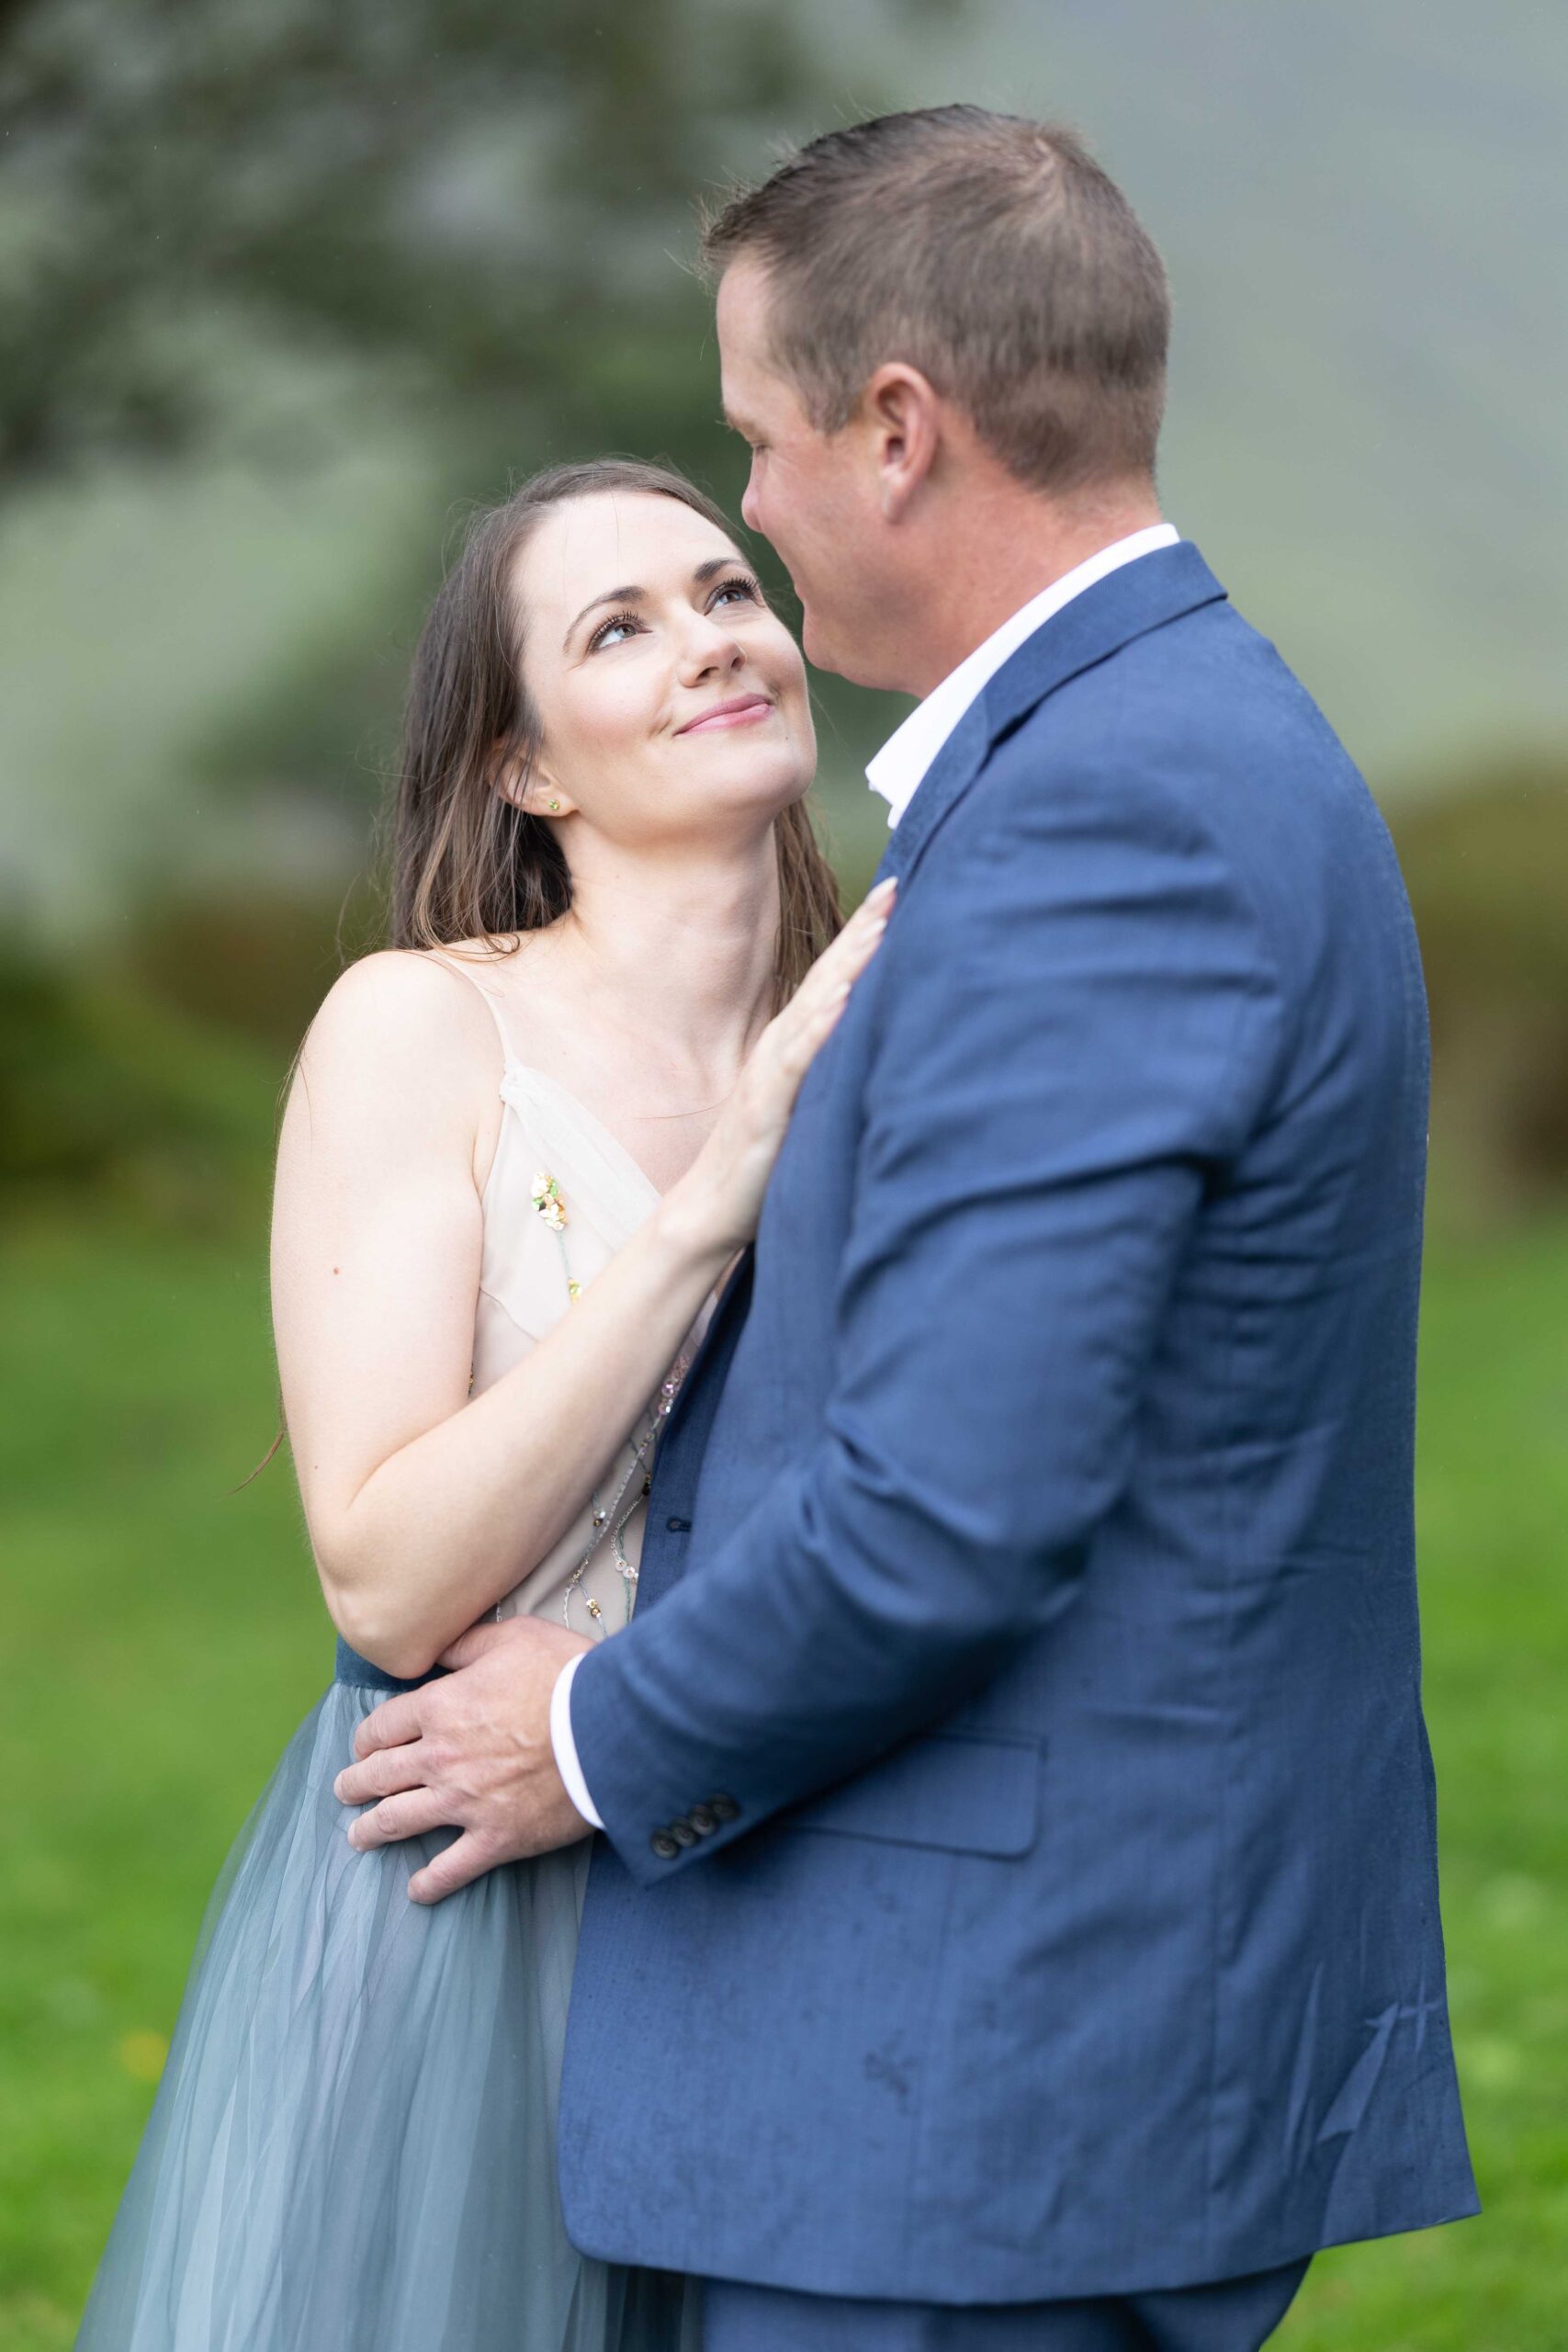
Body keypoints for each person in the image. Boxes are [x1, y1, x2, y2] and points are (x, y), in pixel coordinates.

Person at [338, 107, 1480, 2351]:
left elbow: (948, 1499)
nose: (742, 504)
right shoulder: (1143, 751)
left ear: (892, 428)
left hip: (978, 2079)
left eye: (755, 445)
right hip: (1021, 2059)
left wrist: (579, 1737)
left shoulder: (1108, 813)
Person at [73, 457, 893, 2351]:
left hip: (785, 1863)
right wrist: (705, 1210)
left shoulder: (896, 1013)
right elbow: (383, 1580)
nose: (707, 642)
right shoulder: (418, 1027)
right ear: (526, 766)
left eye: (720, 591)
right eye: (618, 629)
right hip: (468, 1905)